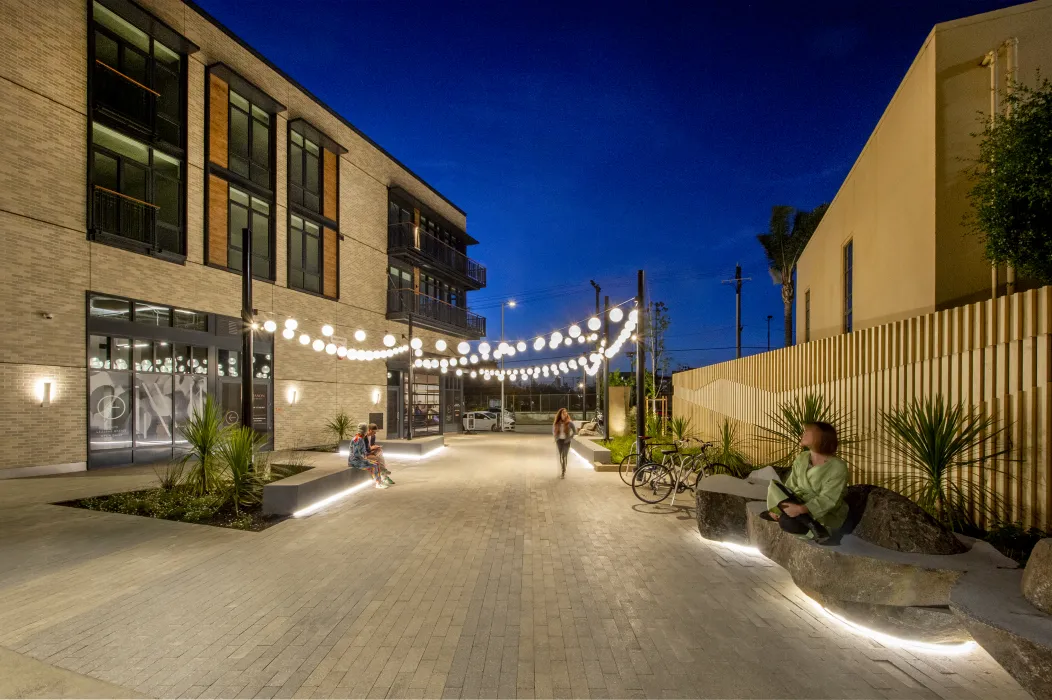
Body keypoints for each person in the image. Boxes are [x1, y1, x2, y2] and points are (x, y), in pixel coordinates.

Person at [763, 421, 848, 544]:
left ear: (821, 438)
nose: (802, 435)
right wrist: (778, 507)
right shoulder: (802, 457)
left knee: (787, 522)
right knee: (774, 486)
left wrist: (802, 509)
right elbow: (790, 485)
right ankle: (810, 524)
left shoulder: (838, 467)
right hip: (798, 500)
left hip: (822, 511)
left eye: (807, 432)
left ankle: (816, 526)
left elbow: (828, 499)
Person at [348, 422, 386, 489]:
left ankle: (379, 482)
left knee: (376, 463)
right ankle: (378, 483)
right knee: (374, 465)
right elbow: (357, 454)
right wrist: (365, 459)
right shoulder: (358, 439)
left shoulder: (360, 438)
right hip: (355, 461)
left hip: (358, 459)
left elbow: (363, 452)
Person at [552, 408, 577, 479]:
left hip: (566, 442)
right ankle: (563, 469)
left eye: (566, 413)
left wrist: (570, 438)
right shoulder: (557, 422)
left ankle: (563, 471)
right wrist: (556, 437)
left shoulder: (570, 422)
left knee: (564, 456)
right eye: (563, 413)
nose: (565, 414)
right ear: (560, 414)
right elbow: (553, 430)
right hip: (559, 441)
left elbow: (575, 431)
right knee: (560, 456)